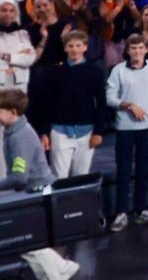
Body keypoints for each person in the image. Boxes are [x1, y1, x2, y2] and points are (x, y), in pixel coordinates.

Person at [0, 88, 77, 280]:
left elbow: (19, 176)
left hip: (37, 192)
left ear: (12, 112)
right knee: (28, 242)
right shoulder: (16, 130)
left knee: (28, 242)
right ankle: (61, 267)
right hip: (34, 190)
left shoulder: (19, 137)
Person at [105, 34, 148, 232]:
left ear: (146, 49)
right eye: (133, 48)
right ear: (128, 51)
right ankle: (121, 212)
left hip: (147, 127)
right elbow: (110, 98)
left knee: (143, 171)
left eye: (140, 48)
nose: (137, 52)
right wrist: (129, 105)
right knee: (123, 171)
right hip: (125, 128)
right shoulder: (118, 70)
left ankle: (141, 210)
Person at [37, 30, 106, 180]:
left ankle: (79, 204)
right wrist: (45, 132)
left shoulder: (95, 71)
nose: (74, 49)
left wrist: (98, 132)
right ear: (65, 48)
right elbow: (47, 103)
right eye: (70, 46)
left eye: (78, 45)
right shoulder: (54, 72)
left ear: (85, 47)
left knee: (82, 177)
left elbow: (101, 103)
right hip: (60, 130)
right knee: (59, 177)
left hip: (86, 130)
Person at [0, 0, 36, 91]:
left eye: (11, 11)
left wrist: (6, 56)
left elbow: (29, 59)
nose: (8, 14)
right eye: (4, 10)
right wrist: (19, 55)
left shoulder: (22, 33)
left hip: (20, 84)